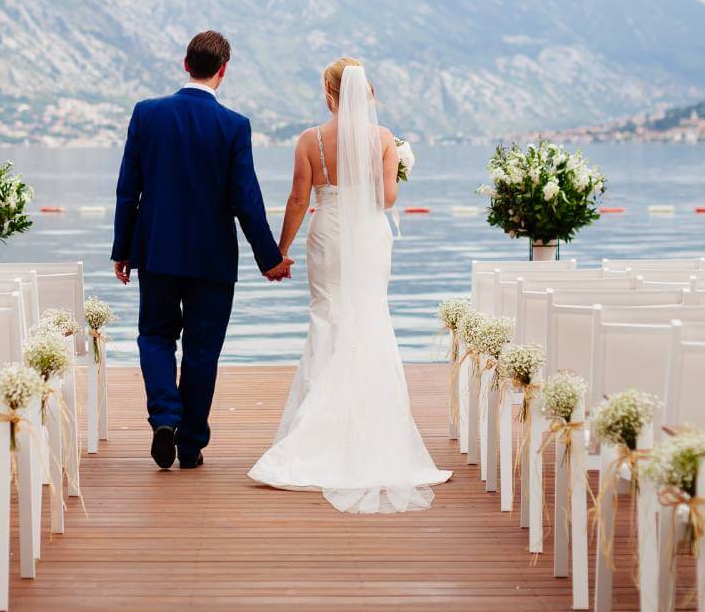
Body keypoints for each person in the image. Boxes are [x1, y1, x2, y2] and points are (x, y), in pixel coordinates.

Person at [248, 58, 451, 512]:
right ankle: (371, 433)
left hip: (328, 234)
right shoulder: (382, 140)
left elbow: (299, 198)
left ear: (328, 91)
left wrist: (279, 251)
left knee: (327, 318)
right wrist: (392, 167)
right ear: (369, 94)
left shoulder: (309, 140)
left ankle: (315, 433)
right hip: (369, 236)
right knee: (370, 317)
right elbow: (387, 198)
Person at [112, 30, 292, 470]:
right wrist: (270, 259)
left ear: (184, 64)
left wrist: (123, 248)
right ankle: (190, 443)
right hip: (212, 259)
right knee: (202, 349)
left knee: (154, 337)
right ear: (223, 71)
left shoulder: (147, 114)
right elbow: (245, 199)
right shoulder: (233, 125)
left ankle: (165, 419)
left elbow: (127, 189)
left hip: (155, 251)